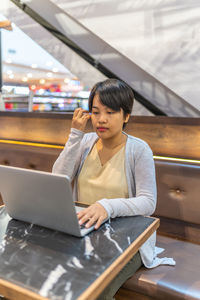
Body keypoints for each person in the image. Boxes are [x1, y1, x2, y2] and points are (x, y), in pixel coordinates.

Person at [52, 79, 175, 300]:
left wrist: (107, 206)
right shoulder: (85, 142)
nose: (101, 119)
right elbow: (57, 180)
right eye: (96, 112)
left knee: (93, 291)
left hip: (128, 238)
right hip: (85, 232)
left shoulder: (139, 150)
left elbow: (148, 202)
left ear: (126, 116)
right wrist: (74, 135)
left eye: (110, 112)